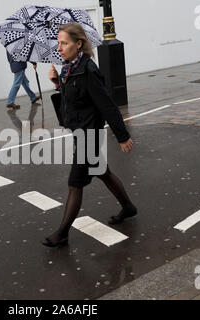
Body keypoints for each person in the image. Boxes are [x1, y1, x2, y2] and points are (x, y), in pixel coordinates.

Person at [42, 22, 137, 248]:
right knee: (102, 172)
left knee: (75, 183)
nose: (60, 47)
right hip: (79, 132)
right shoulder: (69, 68)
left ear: (79, 44)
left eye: (64, 43)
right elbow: (74, 99)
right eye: (59, 43)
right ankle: (129, 207)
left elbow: (107, 105)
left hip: (89, 135)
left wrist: (122, 136)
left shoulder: (88, 70)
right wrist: (57, 82)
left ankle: (63, 233)